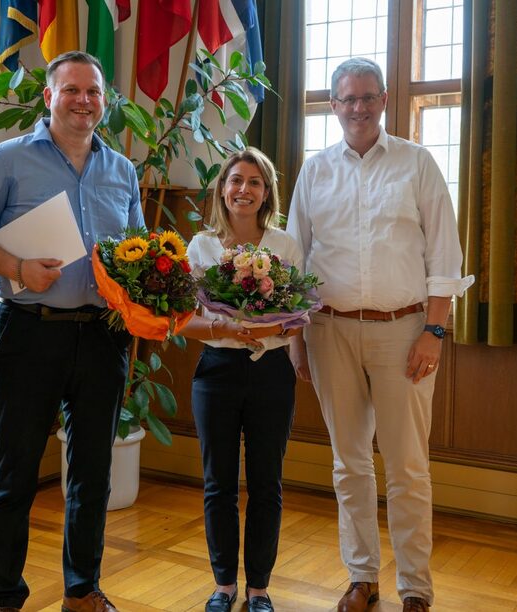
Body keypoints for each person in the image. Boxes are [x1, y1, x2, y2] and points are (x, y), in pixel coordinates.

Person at [0, 51, 143, 612]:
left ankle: (82, 589)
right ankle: (7, 594)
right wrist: (15, 269)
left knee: (92, 474)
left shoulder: (121, 170)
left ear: (104, 101)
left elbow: (134, 253)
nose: (84, 100)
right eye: (72, 90)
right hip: (28, 332)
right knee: (14, 471)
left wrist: (137, 292)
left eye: (94, 92)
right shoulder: (8, 159)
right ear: (49, 97)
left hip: (102, 337)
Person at [286, 57, 473, 612]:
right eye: (348, 99)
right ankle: (361, 577)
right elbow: (294, 259)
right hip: (328, 331)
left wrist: (434, 331)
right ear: (333, 104)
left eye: (368, 97)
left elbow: (445, 256)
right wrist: (295, 335)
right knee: (349, 463)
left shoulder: (418, 165)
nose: (359, 108)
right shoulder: (314, 171)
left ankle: (415, 587)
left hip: (406, 332)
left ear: (384, 100)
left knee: (408, 466)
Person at [178, 147, 301, 612]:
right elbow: (183, 320)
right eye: (235, 180)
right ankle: (225, 585)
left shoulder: (284, 245)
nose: (243, 190)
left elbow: (298, 317)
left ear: (266, 192)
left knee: (267, 483)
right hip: (216, 370)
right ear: (222, 189)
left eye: (253, 182)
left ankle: (259, 590)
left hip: (271, 371)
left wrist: (269, 328)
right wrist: (223, 328)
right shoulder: (201, 246)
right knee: (218, 484)